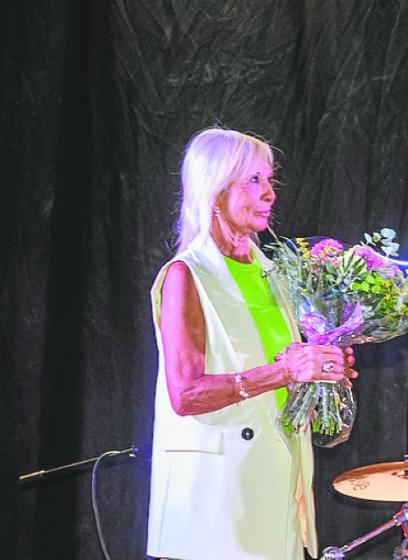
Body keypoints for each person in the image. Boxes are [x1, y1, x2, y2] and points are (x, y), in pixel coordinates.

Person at [147, 128, 356, 559]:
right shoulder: (187, 275)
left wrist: (325, 373)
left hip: (278, 487)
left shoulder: (275, 275)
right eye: (254, 180)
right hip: (216, 500)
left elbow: (285, 383)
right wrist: (287, 370)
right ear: (216, 189)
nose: (269, 194)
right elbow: (185, 395)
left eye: (270, 180)